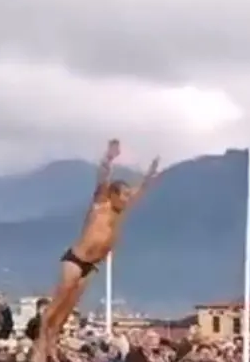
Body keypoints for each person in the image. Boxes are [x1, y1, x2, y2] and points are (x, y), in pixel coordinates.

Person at [38, 139, 161, 345]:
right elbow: (102, 178)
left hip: (91, 265)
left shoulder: (121, 212)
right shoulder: (100, 205)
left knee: (68, 309)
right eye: (124, 195)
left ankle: (52, 340)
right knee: (58, 302)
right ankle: (42, 339)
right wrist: (109, 157)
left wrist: (150, 174)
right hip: (76, 259)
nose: (127, 199)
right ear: (113, 195)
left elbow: (142, 190)